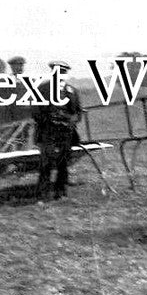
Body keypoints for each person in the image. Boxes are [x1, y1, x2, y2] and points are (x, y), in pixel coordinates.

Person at [33, 60, 83, 201]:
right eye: (57, 71)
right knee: (46, 164)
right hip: (48, 132)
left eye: (63, 72)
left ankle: (61, 193)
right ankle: (42, 196)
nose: (60, 74)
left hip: (66, 133)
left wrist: (69, 120)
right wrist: (49, 120)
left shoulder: (72, 91)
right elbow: (35, 112)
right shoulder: (42, 89)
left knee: (63, 164)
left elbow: (78, 113)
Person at [0, 56, 33, 149]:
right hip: (8, 120)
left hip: (24, 119)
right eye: (17, 65)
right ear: (11, 67)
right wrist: (6, 113)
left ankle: (20, 163)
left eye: (21, 65)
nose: (19, 68)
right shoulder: (3, 81)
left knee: (22, 143)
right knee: (5, 144)